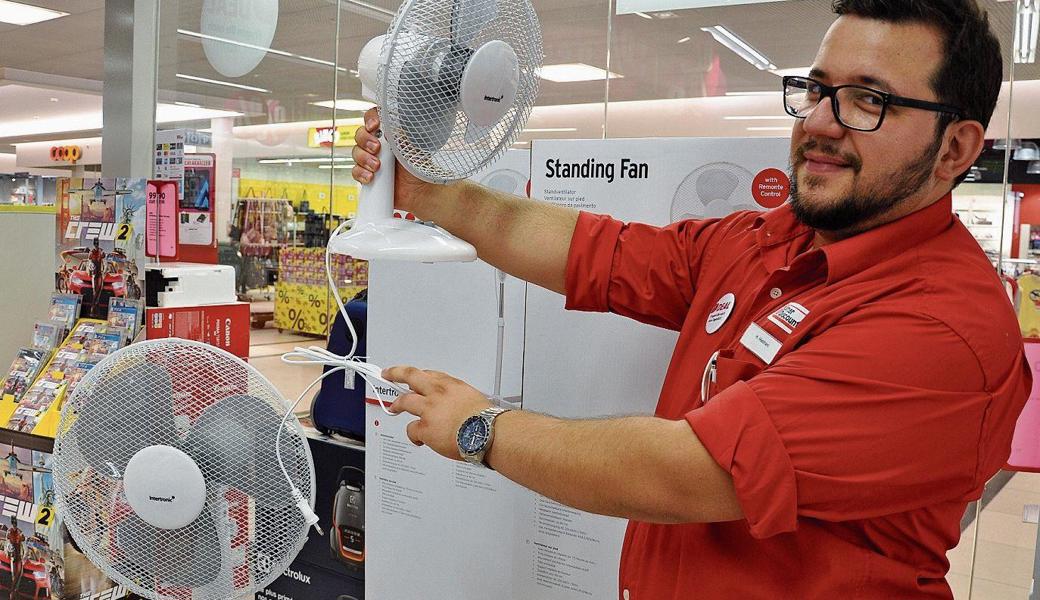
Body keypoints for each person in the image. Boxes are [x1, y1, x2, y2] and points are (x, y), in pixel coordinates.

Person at [351, 0, 1030, 597]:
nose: (821, 122)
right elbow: (592, 250)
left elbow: (685, 473)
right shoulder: (772, 242)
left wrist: (482, 428)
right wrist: (422, 189)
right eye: (816, 90)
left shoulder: (942, 329)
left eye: (867, 100)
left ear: (955, 149)